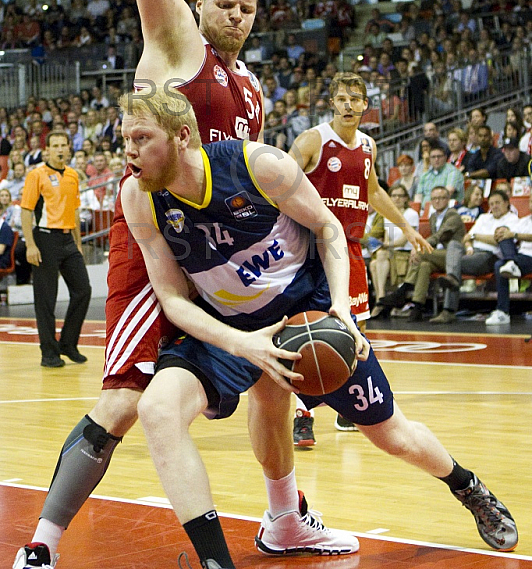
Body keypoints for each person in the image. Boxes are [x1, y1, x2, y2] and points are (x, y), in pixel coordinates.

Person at [13, 0, 339, 569]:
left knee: (276, 372)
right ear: (198, 3)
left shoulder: (252, 88)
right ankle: (42, 544)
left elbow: (254, 185)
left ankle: (284, 520)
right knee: (125, 401)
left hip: (217, 252)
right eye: (224, 4)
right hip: (153, 238)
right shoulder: (176, 44)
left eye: (247, 9)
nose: (235, 17)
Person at [120, 86, 517, 564]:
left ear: (182, 136)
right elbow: (171, 298)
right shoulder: (139, 197)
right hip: (233, 326)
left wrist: (344, 312)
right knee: (162, 409)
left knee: (391, 435)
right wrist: (242, 344)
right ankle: (235, 549)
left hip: (307, 309)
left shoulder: (259, 165)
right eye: (125, 139)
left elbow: (329, 229)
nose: (129, 151)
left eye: (140, 138)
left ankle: (466, 485)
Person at [288, 72, 429, 440]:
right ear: (332, 103)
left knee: (356, 329)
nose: (349, 104)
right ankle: (303, 414)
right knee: (312, 328)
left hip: (350, 248)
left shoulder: (368, 145)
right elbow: (278, 180)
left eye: (356, 98)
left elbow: (374, 191)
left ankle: (344, 408)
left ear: (366, 105)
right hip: (312, 248)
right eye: (342, 98)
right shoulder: (312, 140)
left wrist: (407, 227)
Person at [19, 131, 91, 367]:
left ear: (69, 148)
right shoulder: (36, 175)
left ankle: (68, 344)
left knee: (83, 290)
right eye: (55, 146)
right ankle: (48, 353)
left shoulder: (72, 175)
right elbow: (27, 211)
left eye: (63, 145)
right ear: (47, 150)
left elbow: (76, 210)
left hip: (68, 240)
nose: (60, 149)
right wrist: (30, 244)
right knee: (46, 299)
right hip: (45, 239)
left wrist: (78, 244)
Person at [378, 187, 466, 324]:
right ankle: (418, 307)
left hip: (453, 257)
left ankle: (404, 290)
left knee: (420, 254)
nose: (437, 201)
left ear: (448, 200)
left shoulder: (453, 215)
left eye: (441, 198)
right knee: (424, 266)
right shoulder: (433, 217)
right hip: (438, 256)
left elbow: (438, 236)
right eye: (434, 198)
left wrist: (419, 248)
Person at [369, 184, 420, 318]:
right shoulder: (387, 215)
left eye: (400, 195)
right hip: (392, 252)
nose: (397, 198)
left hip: (406, 251)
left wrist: (384, 245)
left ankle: (380, 302)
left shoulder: (411, 214)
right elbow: (387, 238)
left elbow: (404, 240)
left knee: (377, 261)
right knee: (374, 262)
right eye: (394, 196)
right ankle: (381, 298)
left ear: (406, 198)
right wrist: (383, 245)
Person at [488, 189, 532, 324]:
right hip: (522, 257)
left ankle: (511, 262)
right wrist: (501, 233)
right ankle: (503, 312)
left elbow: (518, 235)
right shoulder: (524, 221)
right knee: (499, 264)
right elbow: (510, 233)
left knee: (509, 236)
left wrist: (514, 235)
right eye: (531, 201)